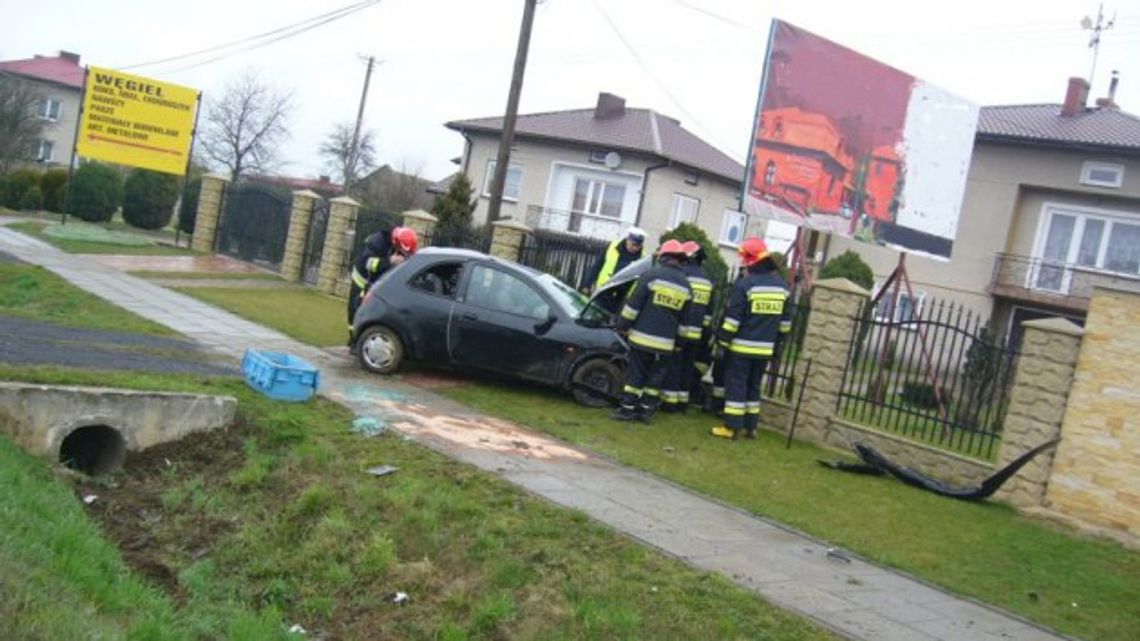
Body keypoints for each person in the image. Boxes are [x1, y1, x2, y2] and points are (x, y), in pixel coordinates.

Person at [711, 237, 791, 439]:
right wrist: (778, 345)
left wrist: (723, 342)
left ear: (751, 260)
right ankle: (751, 427)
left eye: (745, 258)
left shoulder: (745, 285)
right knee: (754, 386)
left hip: (742, 348)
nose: (743, 263)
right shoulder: (783, 288)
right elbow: (785, 324)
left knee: (736, 385)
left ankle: (731, 427)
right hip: (765, 349)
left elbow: (732, 320)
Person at [611, 239, 695, 422]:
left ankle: (627, 410)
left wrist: (622, 326)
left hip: (641, 340)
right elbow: (684, 322)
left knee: (636, 376)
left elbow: (633, 306)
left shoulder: (651, 275)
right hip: (665, 345)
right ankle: (645, 412)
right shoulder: (686, 286)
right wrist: (679, 344)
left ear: (664, 256)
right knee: (655, 379)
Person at [660, 240, 713, 413]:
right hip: (697, 334)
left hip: (679, 331)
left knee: (674, 365)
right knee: (687, 367)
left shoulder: (682, 276)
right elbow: (709, 313)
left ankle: (669, 402)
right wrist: (704, 333)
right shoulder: (707, 280)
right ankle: (683, 402)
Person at [347, 226, 418, 339]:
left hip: (376, 284)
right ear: (396, 242)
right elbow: (369, 264)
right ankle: (352, 340)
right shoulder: (378, 241)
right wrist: (390, 261)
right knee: (356, 310)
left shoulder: (398, 244)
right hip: (362, 279)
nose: (401, 254)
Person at [582, 226, 646, 310]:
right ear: (628, 240)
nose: (635, 248)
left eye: (638, 246)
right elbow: (597, 265)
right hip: (603, 291)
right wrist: (587, 284)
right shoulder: (612, 247)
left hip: (622, 299)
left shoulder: (642, 258)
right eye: (633, 244)